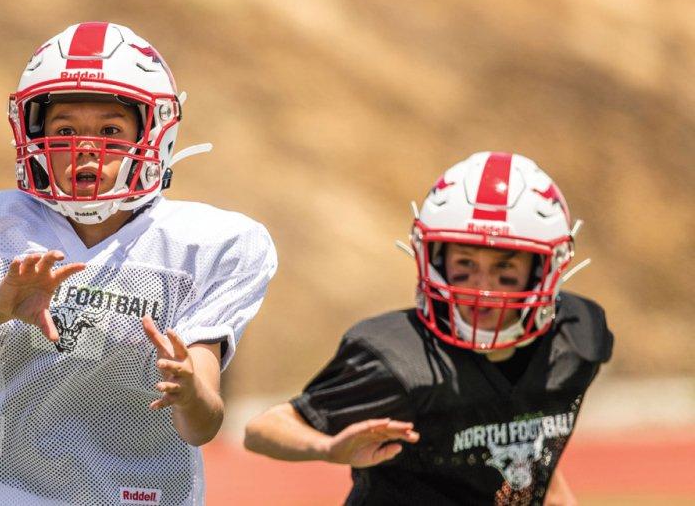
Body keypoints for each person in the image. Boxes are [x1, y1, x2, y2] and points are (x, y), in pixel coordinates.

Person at [0, 22, 278, 506]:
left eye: (111, 130)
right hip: (15, 492)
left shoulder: (208, 244)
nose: (86, 146)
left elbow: (203, 427)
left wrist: (189, 393)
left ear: (156, 132)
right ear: (32, 131)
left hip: (148, 495)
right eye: (65, 129)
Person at [244, 152, 611, 505]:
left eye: (505, 269)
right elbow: (262, 429)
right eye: (465, 264)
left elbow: (532, 436)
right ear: (434, 259)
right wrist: (327, 448)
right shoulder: (398, 359)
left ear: (546, 269)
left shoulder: (575, 340)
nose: (482, 288)